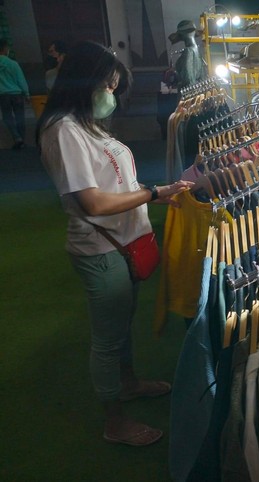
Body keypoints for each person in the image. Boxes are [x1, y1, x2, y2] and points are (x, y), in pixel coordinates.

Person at [36, 41, 193, 447]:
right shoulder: (64, 129)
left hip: (122, 245)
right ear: (86, 82)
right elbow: (93, 201)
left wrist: (153, 192)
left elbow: (114, 184)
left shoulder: (86, 125)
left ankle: (127, 383)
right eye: (107, 84)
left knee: (121, 328)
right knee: (107, 339)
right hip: (100, 249)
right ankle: (115, 421)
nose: (111, 93)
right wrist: (153, 193)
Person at [0, 38, 30, 149]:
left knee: (7, 116)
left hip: (3, 95)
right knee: (20, 117)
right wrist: (26, 93)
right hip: (17, 94)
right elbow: (20, 79)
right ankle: (22, 139)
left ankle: (16, 137)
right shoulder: (13, 64)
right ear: (5, 49)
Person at [168, 20, 207, 90]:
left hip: (187, 93)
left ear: (182, 35)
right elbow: (202, 75)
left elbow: (188, 79)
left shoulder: (188, 51)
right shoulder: (196, 50)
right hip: (197, 91)